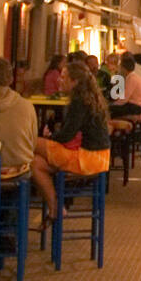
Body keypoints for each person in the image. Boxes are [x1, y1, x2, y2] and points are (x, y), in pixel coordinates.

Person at [30, 61, 111, 223]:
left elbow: (66, 135)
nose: (60, 80)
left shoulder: (79, 101)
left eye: (64, 77)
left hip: (87, 159)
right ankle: (56, 208)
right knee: (35, 163)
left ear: (74, 82)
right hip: (100, 157)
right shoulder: (90, 98)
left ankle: (14, 183)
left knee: (31, 142)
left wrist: (49, 139)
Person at [109, 52, 141, 119]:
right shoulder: (134, 76)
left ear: (124, 68)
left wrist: (113, 104)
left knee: (110, 110)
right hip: (139, 105)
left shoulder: (131, 79)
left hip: (136, 106)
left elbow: (124, 98)